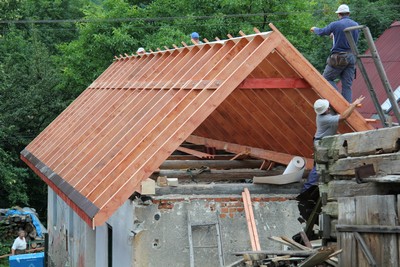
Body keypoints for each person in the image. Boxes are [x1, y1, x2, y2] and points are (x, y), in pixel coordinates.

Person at [302, 95, 365, 192]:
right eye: (327, 108)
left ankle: (310, 187)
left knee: (322, 165)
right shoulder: (325, 119)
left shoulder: (322, 113)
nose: (329, 108)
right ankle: (306, 189)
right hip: (321, 143)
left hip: (323, 141)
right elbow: (344, 117)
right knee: (318, 167)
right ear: (325, 110)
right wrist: (354, 105)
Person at [310, 4, 359, 102]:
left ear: (339, 14)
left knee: (326, 79)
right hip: (351, 56)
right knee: (347, 86)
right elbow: (350, 38)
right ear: (348, 13)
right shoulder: (356, 25)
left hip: (339, 57)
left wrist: (314, 29)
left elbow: (322, 32)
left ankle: (338, 100)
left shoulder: (335, 24)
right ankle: (347, 107)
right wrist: (335, 35)